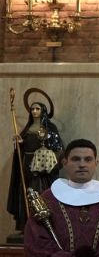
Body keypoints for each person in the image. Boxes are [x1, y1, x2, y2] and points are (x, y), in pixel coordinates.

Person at [7, 97, 63, 232]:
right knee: (26, 192)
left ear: (43, 110)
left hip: (41, 169)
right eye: (32, 109)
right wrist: (20, 143)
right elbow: (24, 148)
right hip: (27, 165)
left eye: (37, 109)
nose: (34, 111)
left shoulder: (50, 128)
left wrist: (47, 158)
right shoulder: (27, 128)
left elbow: (57, 147)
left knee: (40, 192)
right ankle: (26, 223)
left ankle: (42, 225)